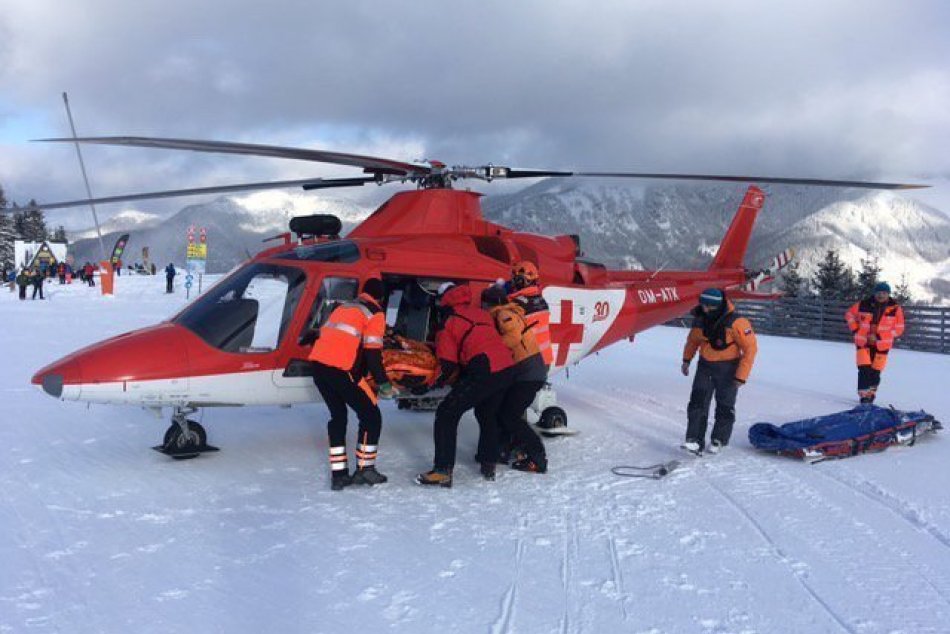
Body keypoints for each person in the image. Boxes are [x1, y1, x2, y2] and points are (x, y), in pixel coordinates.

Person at [416, 283, 515, 487]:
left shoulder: (449, 321)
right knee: (487, 414)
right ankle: (489, 462)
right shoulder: (480, 313)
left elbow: (447, 365)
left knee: (446, 413)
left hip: (484, 369)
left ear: (443, 300)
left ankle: (442, 470)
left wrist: (427, 387)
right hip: (506, 367)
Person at [309, 278, 393, 491]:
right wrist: (383, 383)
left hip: (318, 367)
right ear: (381, 297)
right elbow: (373, 353)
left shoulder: (344, 307)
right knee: (371, 416)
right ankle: (365, 470)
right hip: (341, 369)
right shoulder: (375, 313)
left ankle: (339, 475)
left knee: (338, 417)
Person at [680, 288, 757, 455]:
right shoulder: (700, 319)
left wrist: (741, 376)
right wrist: (686, 360)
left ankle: (719, 439)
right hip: (705, 366)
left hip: (728, 368)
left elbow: (750, 349)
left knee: (725, 405)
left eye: (708, 307)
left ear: (717, 305)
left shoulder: (738, 322)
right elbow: (692, 341)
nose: (705, 309)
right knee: (697, 403)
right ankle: (694, 439)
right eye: (703, 305)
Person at [482, 286, 548, 473]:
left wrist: (491, 348)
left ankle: (537, 456)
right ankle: (507, 449)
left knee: (509, 415)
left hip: (528, 372)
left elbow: (513, 336)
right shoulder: (508, 311)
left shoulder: (503, 314)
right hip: (527, 371)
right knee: (504, 412)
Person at [845, 282, 905, 404]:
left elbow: (899, 329)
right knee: (864, 369)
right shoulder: (863, 304)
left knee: (875, 372)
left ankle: (871, 395)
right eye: (878, 293)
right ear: (874, 293)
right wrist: (856, 329)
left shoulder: (895, 309)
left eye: (884, 293)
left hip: (882, 345)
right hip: (863, 343)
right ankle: (864, 397)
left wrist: (879, 336)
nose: (881, 295)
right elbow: (849, 315)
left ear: (888, 294)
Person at [506, 261, 553, 366]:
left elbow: (508, 335)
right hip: (545, 359)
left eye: (516, 280)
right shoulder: (541, 300)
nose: (512, 283)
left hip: (528, 362)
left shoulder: (517, 304)